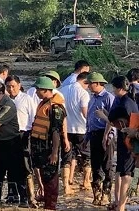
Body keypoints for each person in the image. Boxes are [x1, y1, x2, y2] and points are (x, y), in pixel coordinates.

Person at [97, 76, 139, 211]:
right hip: (126, 140)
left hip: (129, 142)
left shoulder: (123, 103)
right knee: (121, 171)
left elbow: (112, 121)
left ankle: (120, 204)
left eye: (114, 88)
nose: (113, 90)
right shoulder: (128, 101)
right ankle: (118, 203)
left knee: (126, 173)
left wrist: (101, 115)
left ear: (120, 88)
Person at [27, 70, 72, 197]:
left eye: (38, 90)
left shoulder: (55, 107)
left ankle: (50, 204)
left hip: (48, 147)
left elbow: (56, 132)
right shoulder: (43, 103)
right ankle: (45, 199)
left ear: (46, 90)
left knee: (50, 177)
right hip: (39, 146)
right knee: (42, 174)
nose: (36, 92)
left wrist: (54, 153)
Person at [5, 76, 38, 207]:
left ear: (19, 85)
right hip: (8, 136)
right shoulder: (5, 100)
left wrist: (32, 136)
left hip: (24, 134)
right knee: (10, 166)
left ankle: (29, 197)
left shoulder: (26, 99)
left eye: (13, 86)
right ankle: (12, 195)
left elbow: (33, 118)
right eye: (8, 86)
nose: (11, 89)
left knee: (25, 167)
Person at [85, 72, 115, 206]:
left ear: (98, 84)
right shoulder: (92, 99)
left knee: (107, 165)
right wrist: (87, 136)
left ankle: (106, 195)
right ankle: (96, 195)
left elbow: (113, 120)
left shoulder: (109, 98)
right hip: (94, 134)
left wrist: (107, 136)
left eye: (90, 84)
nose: (88, 86)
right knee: (95, 166)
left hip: (106, 135)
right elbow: (89, 120)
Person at [59, 72, 92, 190]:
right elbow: (85, 112)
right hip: (81, 129)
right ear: (85, 82)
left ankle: (66, 185)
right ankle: (86, 182)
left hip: (65, 129)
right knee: (86, 157)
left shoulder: (63, 90)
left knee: (66, 157)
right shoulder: (83, 93)